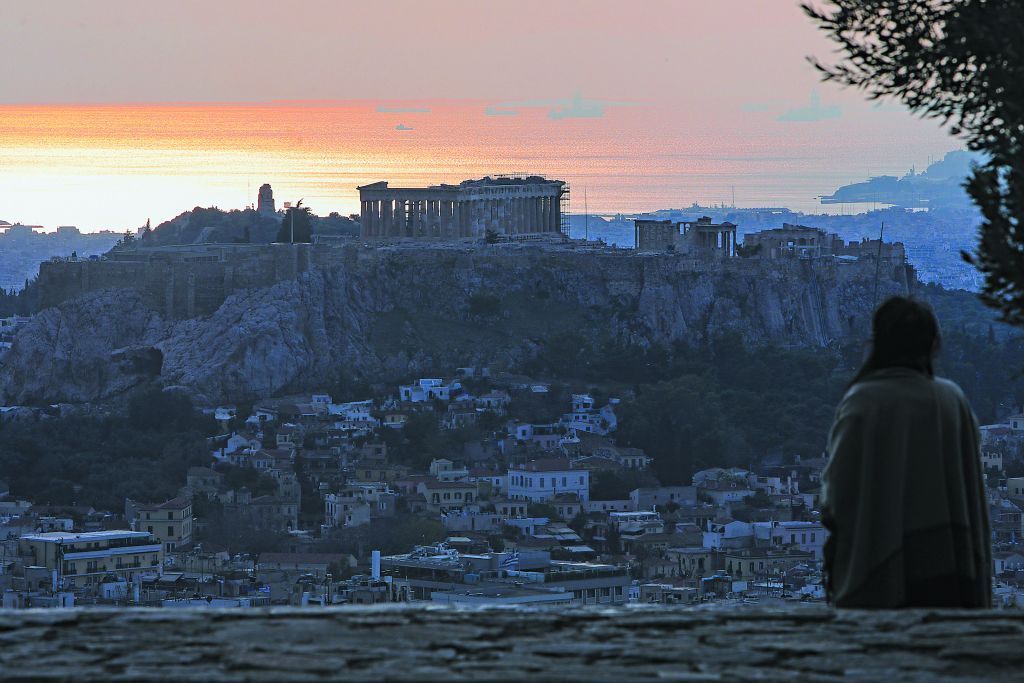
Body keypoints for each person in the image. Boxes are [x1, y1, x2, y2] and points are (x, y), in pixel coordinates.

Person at [822, 296, 991, 608]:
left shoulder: (864, 401)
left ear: (876, 344)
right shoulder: (953, 401)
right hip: (950, 572)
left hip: (880, 570)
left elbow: (836, 498)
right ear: (934, 346)